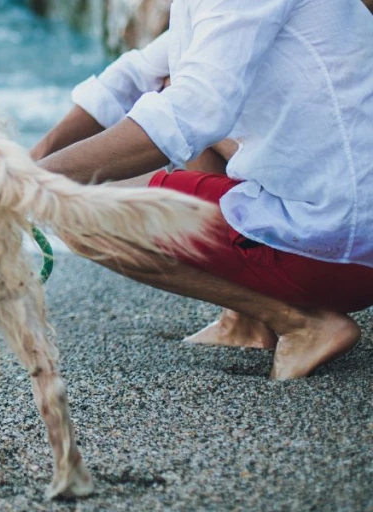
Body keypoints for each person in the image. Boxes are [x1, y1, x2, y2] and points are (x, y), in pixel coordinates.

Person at [30, 0, 373, 379]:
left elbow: (193, 112)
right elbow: (135, 75)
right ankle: (244, 322)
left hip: (338, 249)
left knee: (78, 211)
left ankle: (301, 322)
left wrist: (30, 185)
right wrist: (28, 163)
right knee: (173, 82)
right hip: (348, 234)